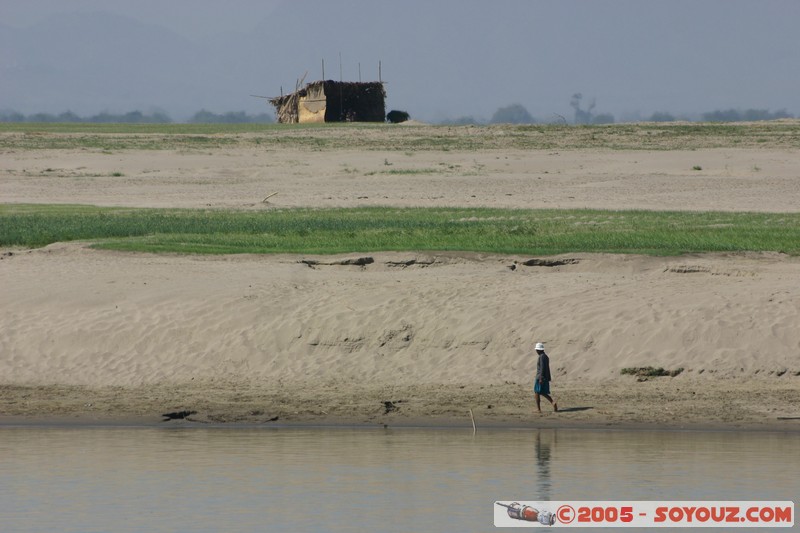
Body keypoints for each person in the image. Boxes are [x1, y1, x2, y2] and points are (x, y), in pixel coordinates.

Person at [534, 342, 557, 413]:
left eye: (537, 350)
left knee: (537, 392)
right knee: (542, 392)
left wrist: (540, 378)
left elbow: (542, 368)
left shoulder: (541, 357)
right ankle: (553, 402)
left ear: (539, 350)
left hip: (540, 377)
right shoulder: (546, 356)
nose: (536, 351)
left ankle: (538, 409)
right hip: (545, 377)